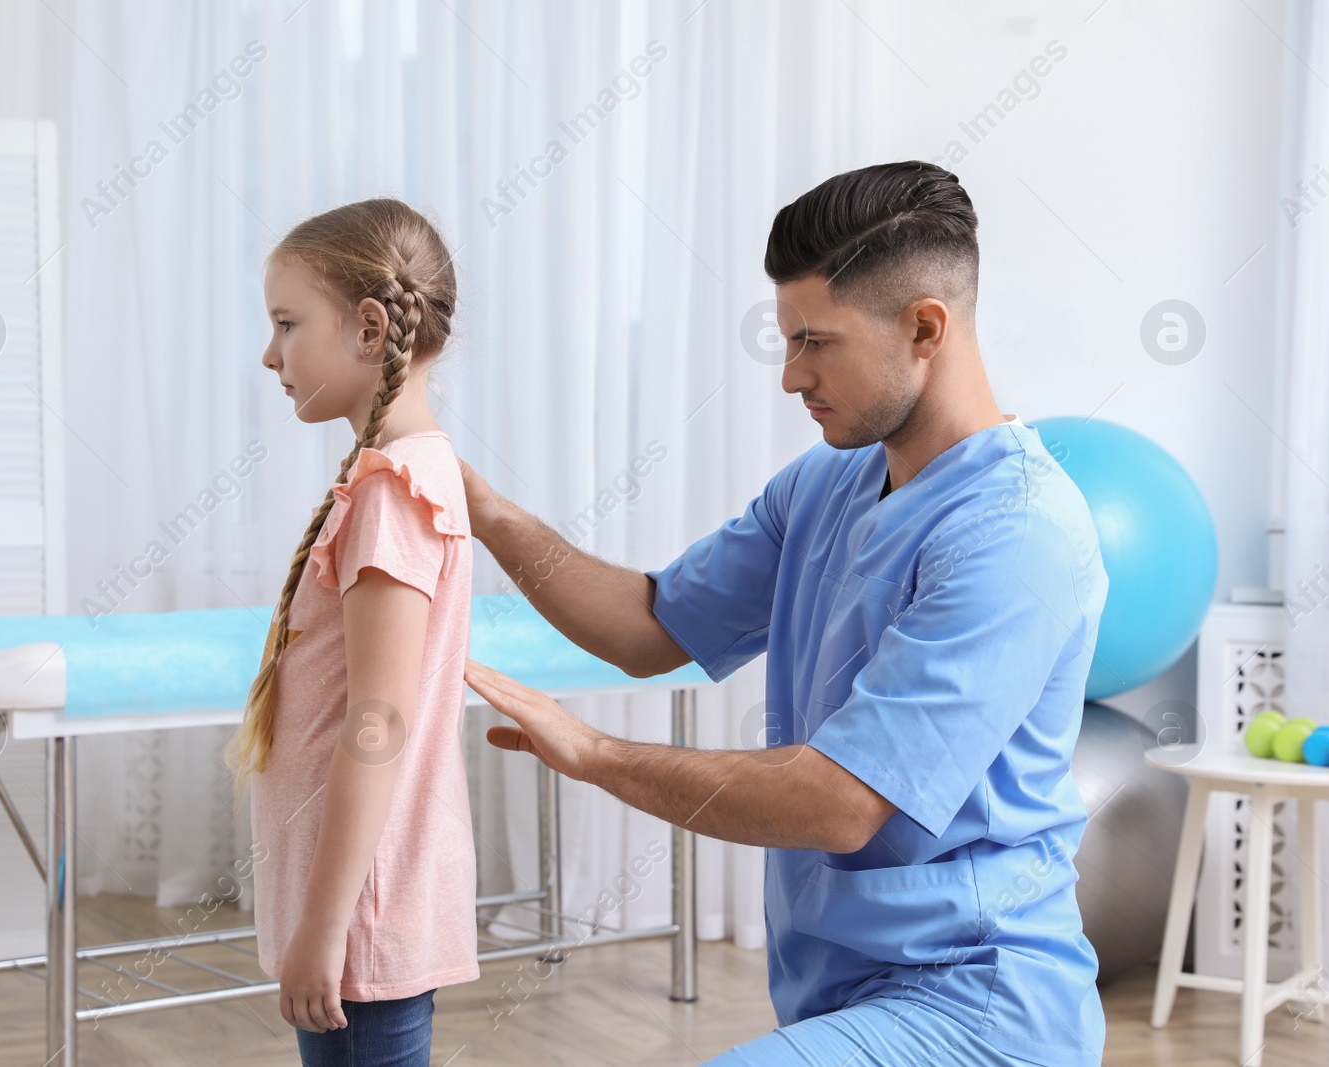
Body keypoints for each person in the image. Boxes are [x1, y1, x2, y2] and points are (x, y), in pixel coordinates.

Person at [461, 162, 1109, 1066]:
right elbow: (650, 625)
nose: (791, 376)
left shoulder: (1017, 530)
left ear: (925, 327)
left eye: (816, 341)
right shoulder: (828, 480)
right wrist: (485, 513)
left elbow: (840, 802)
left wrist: (598, 755)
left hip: (975, 999)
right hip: (834, 992)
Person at [226, 199, 477, 1067]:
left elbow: (378, 720)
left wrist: (324, 926)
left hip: (363, 915)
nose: (271, 354)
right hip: (369, 905)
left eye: (287, 324)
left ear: (371, 329)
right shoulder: (409, 470)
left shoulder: (391, 489)